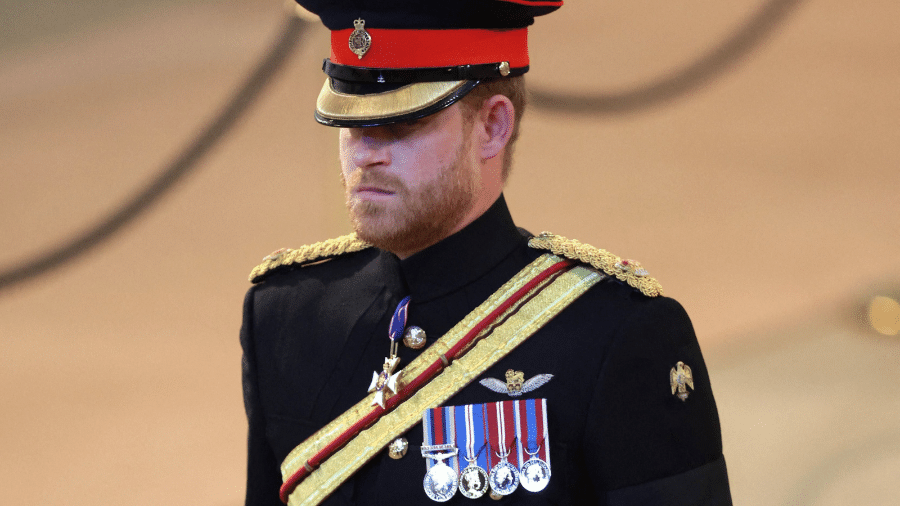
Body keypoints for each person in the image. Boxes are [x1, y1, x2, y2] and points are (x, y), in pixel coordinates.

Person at [240, 1, 732, 504]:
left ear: (493, 127)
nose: (366, 153)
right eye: (352, 123)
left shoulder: (614, 334)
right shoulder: (283, 316)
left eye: (402, 124)